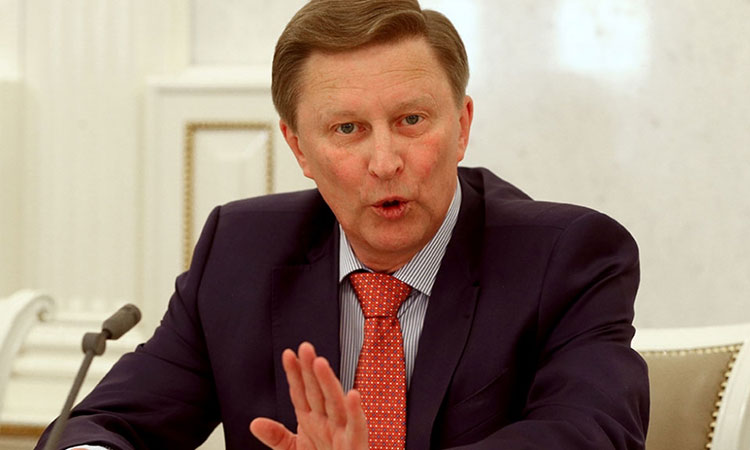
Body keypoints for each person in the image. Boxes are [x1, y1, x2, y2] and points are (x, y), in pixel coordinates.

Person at [36, 1, 649, 449]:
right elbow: (106, 425)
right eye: (347, 129)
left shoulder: (568, 258)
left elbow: (590, 434)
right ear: (299, 148)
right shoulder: (239, 254)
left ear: (461, 126)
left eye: (411, 120)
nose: (384, 162)